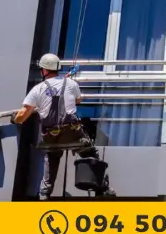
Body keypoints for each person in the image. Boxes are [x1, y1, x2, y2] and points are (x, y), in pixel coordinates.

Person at [13, 53, 115, 200]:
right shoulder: (71, 84)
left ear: (45, 70)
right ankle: (102, 188)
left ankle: (44, 194)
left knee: (52, 157)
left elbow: (23, 114)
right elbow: (78, 101)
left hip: (51, 136)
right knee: (90, 154)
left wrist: (15, 120)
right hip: (72, 132)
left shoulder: (38, 89)